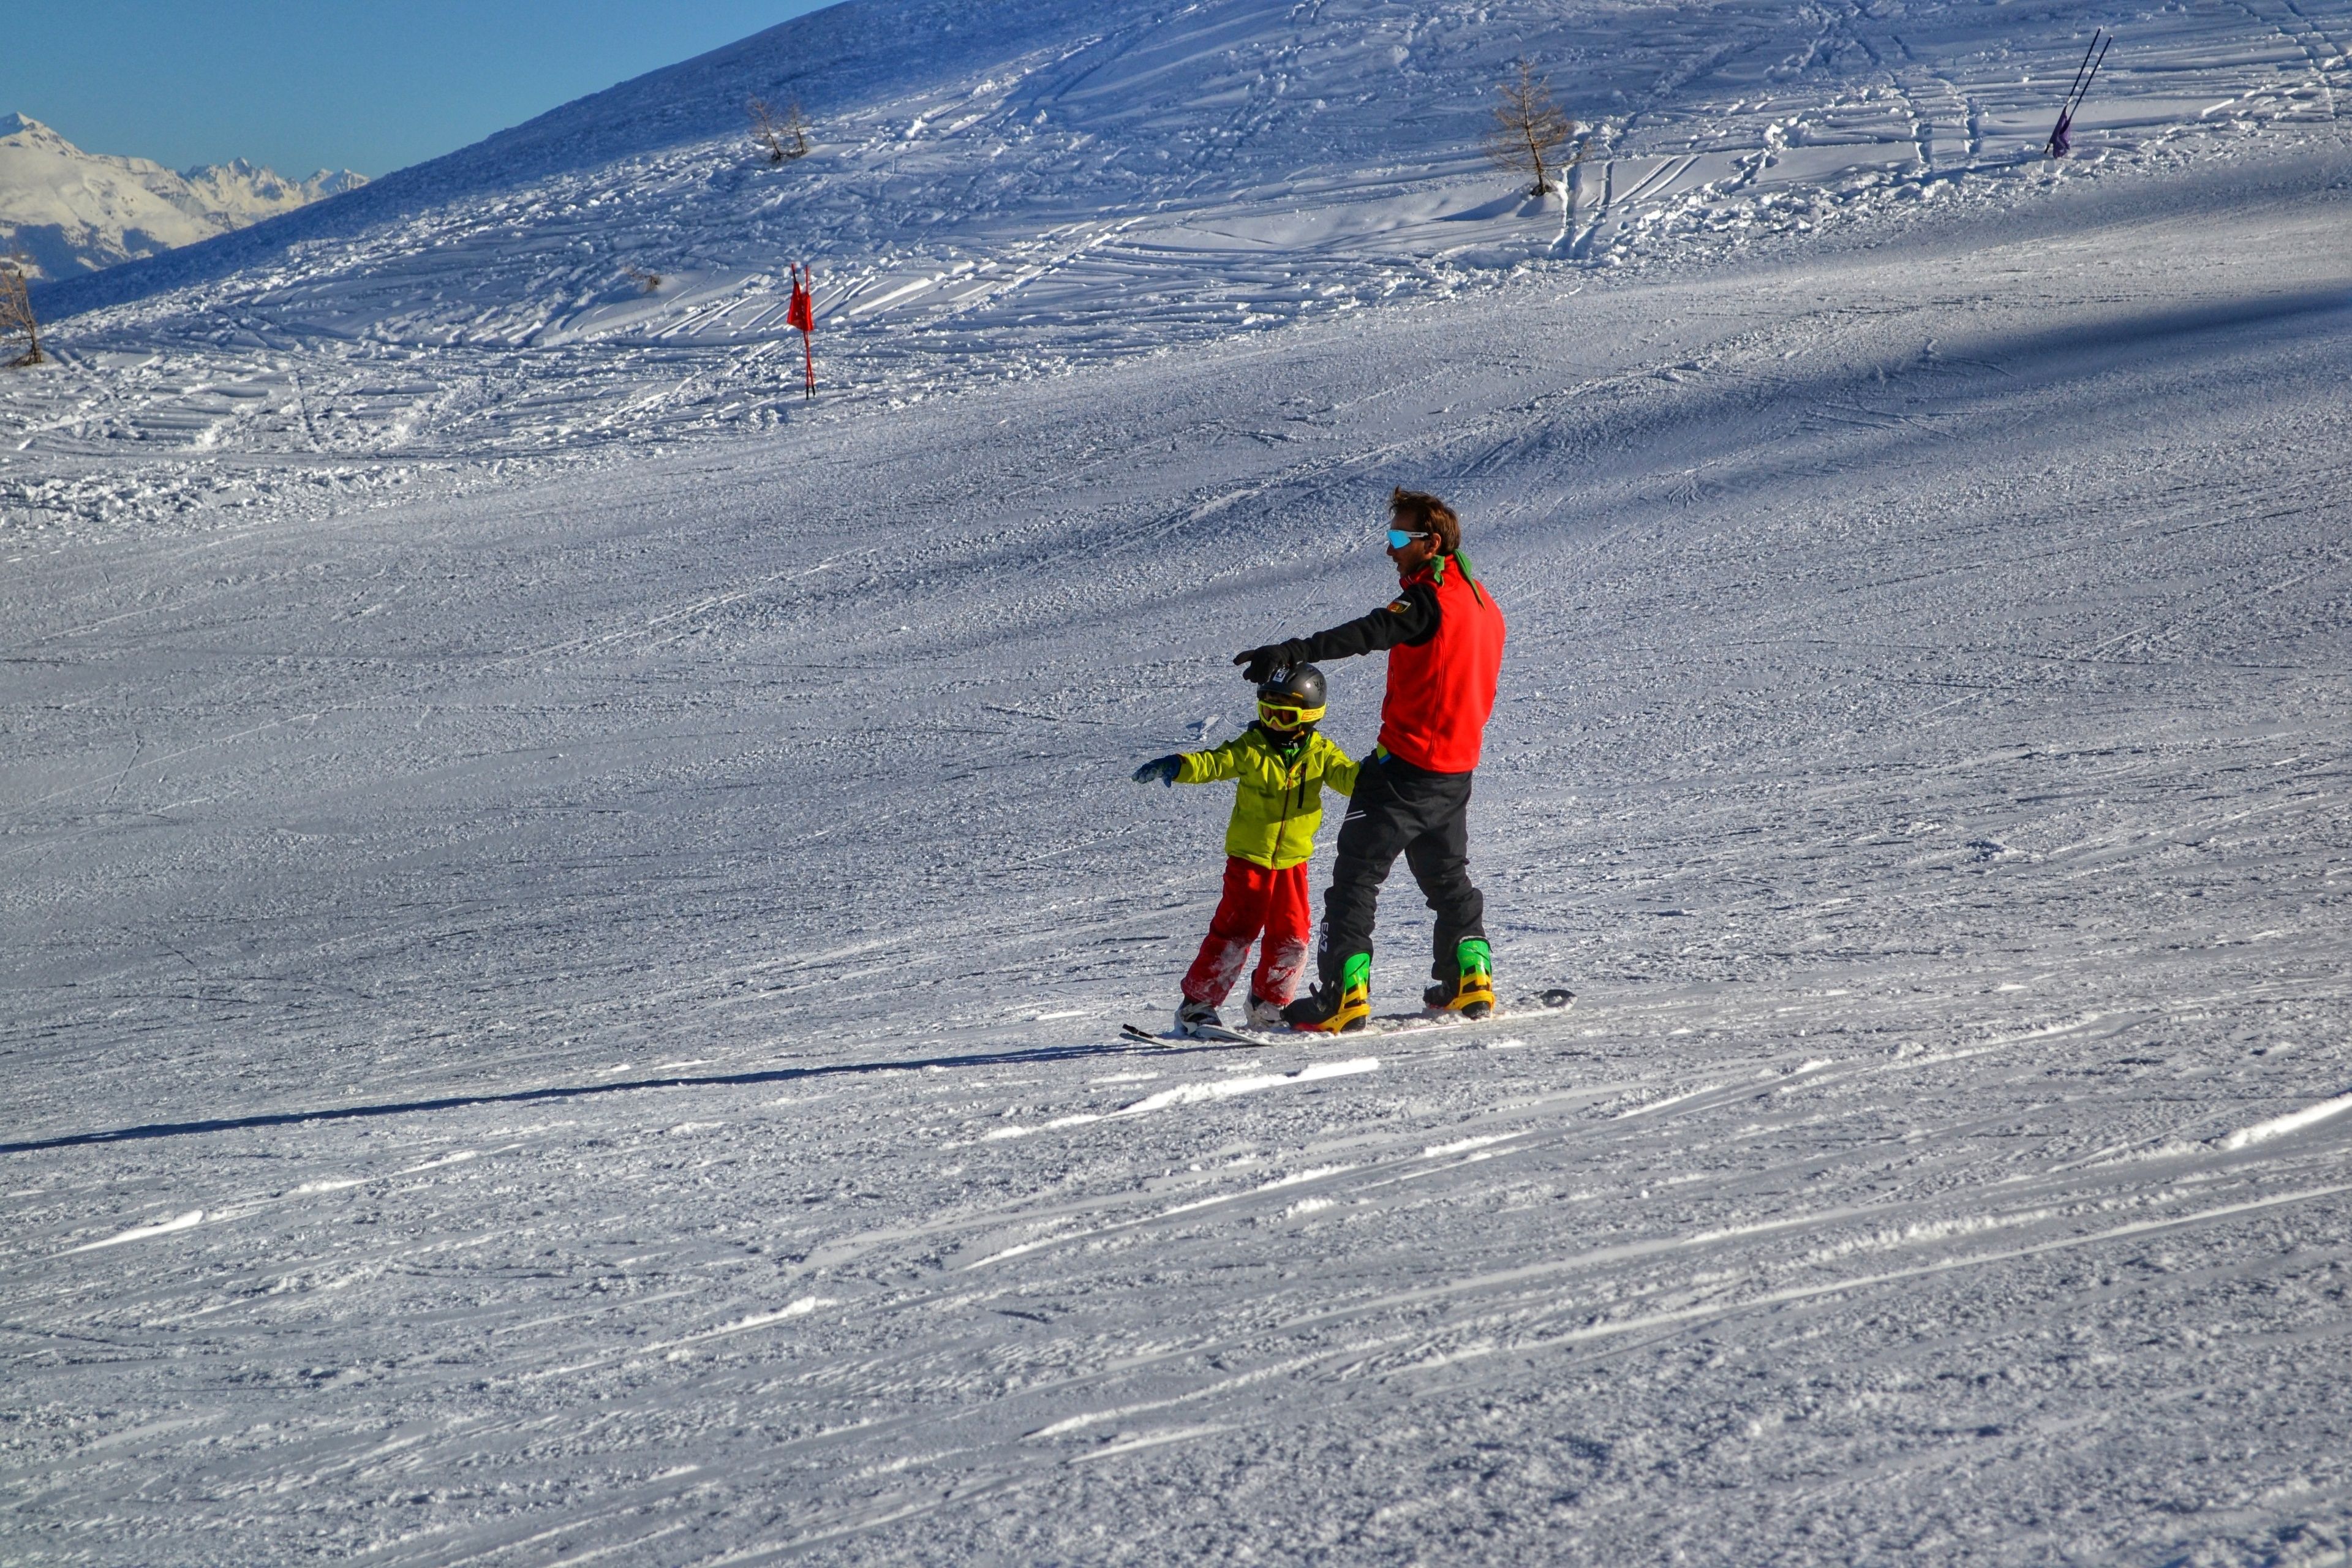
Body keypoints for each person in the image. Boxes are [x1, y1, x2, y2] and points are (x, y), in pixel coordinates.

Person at [1233, 488, 1506, 1033]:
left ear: (1432, 543)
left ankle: (1343, 997)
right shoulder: (1481, 601)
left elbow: (1371, 632)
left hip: (1406, 767)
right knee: (1448, 876)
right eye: (1390, 537)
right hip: (1455, 772)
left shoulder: (1429, 599)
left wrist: (1292, 651)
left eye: (1400, 538)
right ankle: (1469, 979)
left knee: (1356, 879)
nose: (1391, 550)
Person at [1132, 665, 1359, 1036]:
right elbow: (1214, 762)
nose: (1272, 722)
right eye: (1266, 711)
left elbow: (1350, 780)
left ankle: (1268, 1005)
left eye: (1283, 715)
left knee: (1294, 939)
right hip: (1249, 858)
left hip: (1292, 863)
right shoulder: (1251, 748)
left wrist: (1382, 771)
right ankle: (1197, 1007)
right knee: (1235, 931)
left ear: (1310, 716)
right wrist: (1178, 764)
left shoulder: (1321, 753)